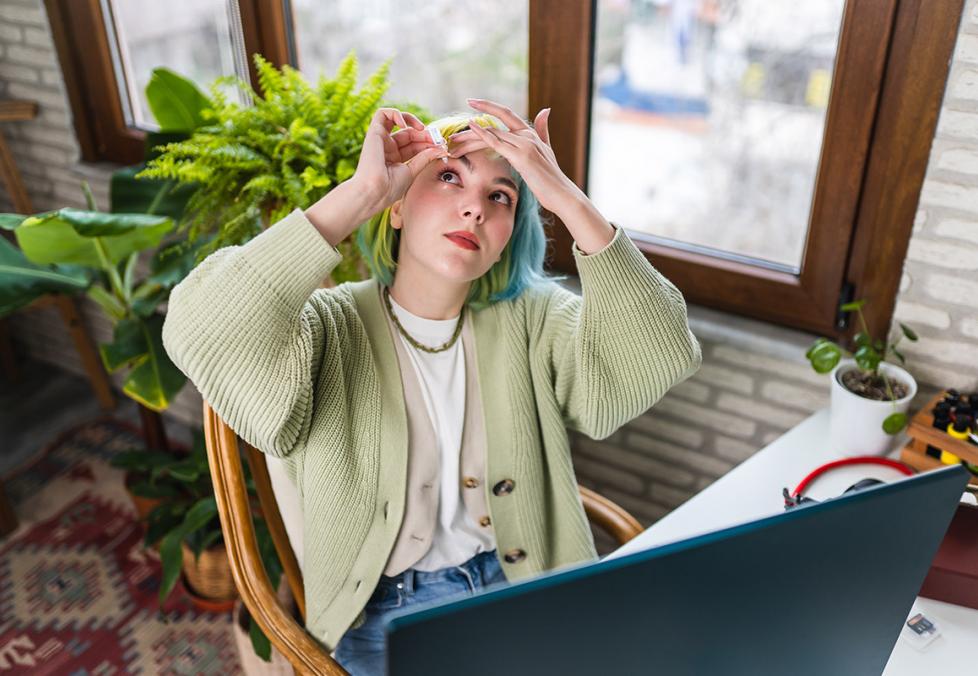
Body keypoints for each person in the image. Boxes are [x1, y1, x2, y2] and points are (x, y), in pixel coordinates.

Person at [162, 98, 702, 675]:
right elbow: (199, 326)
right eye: (449, 176)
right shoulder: (328, 326)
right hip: (386, 619)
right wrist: (363, 193)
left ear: (506, 235)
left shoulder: (532, 318)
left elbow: (662, 351)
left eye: (501, 196)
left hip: (523, 586)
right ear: (396, 208)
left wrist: (566, 198)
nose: (474, 208)